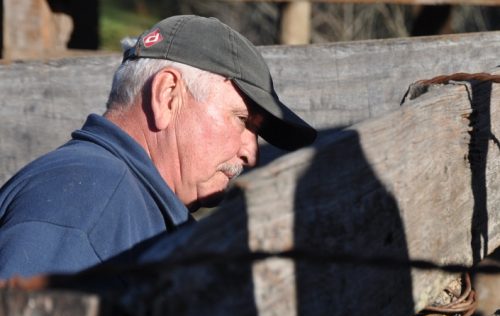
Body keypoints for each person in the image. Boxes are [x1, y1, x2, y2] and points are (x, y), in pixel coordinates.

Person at [0, 15, 316, 279]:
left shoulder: (121, 199)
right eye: (242, 119)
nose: (252, 152)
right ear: (167, 96)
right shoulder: (90, 204)